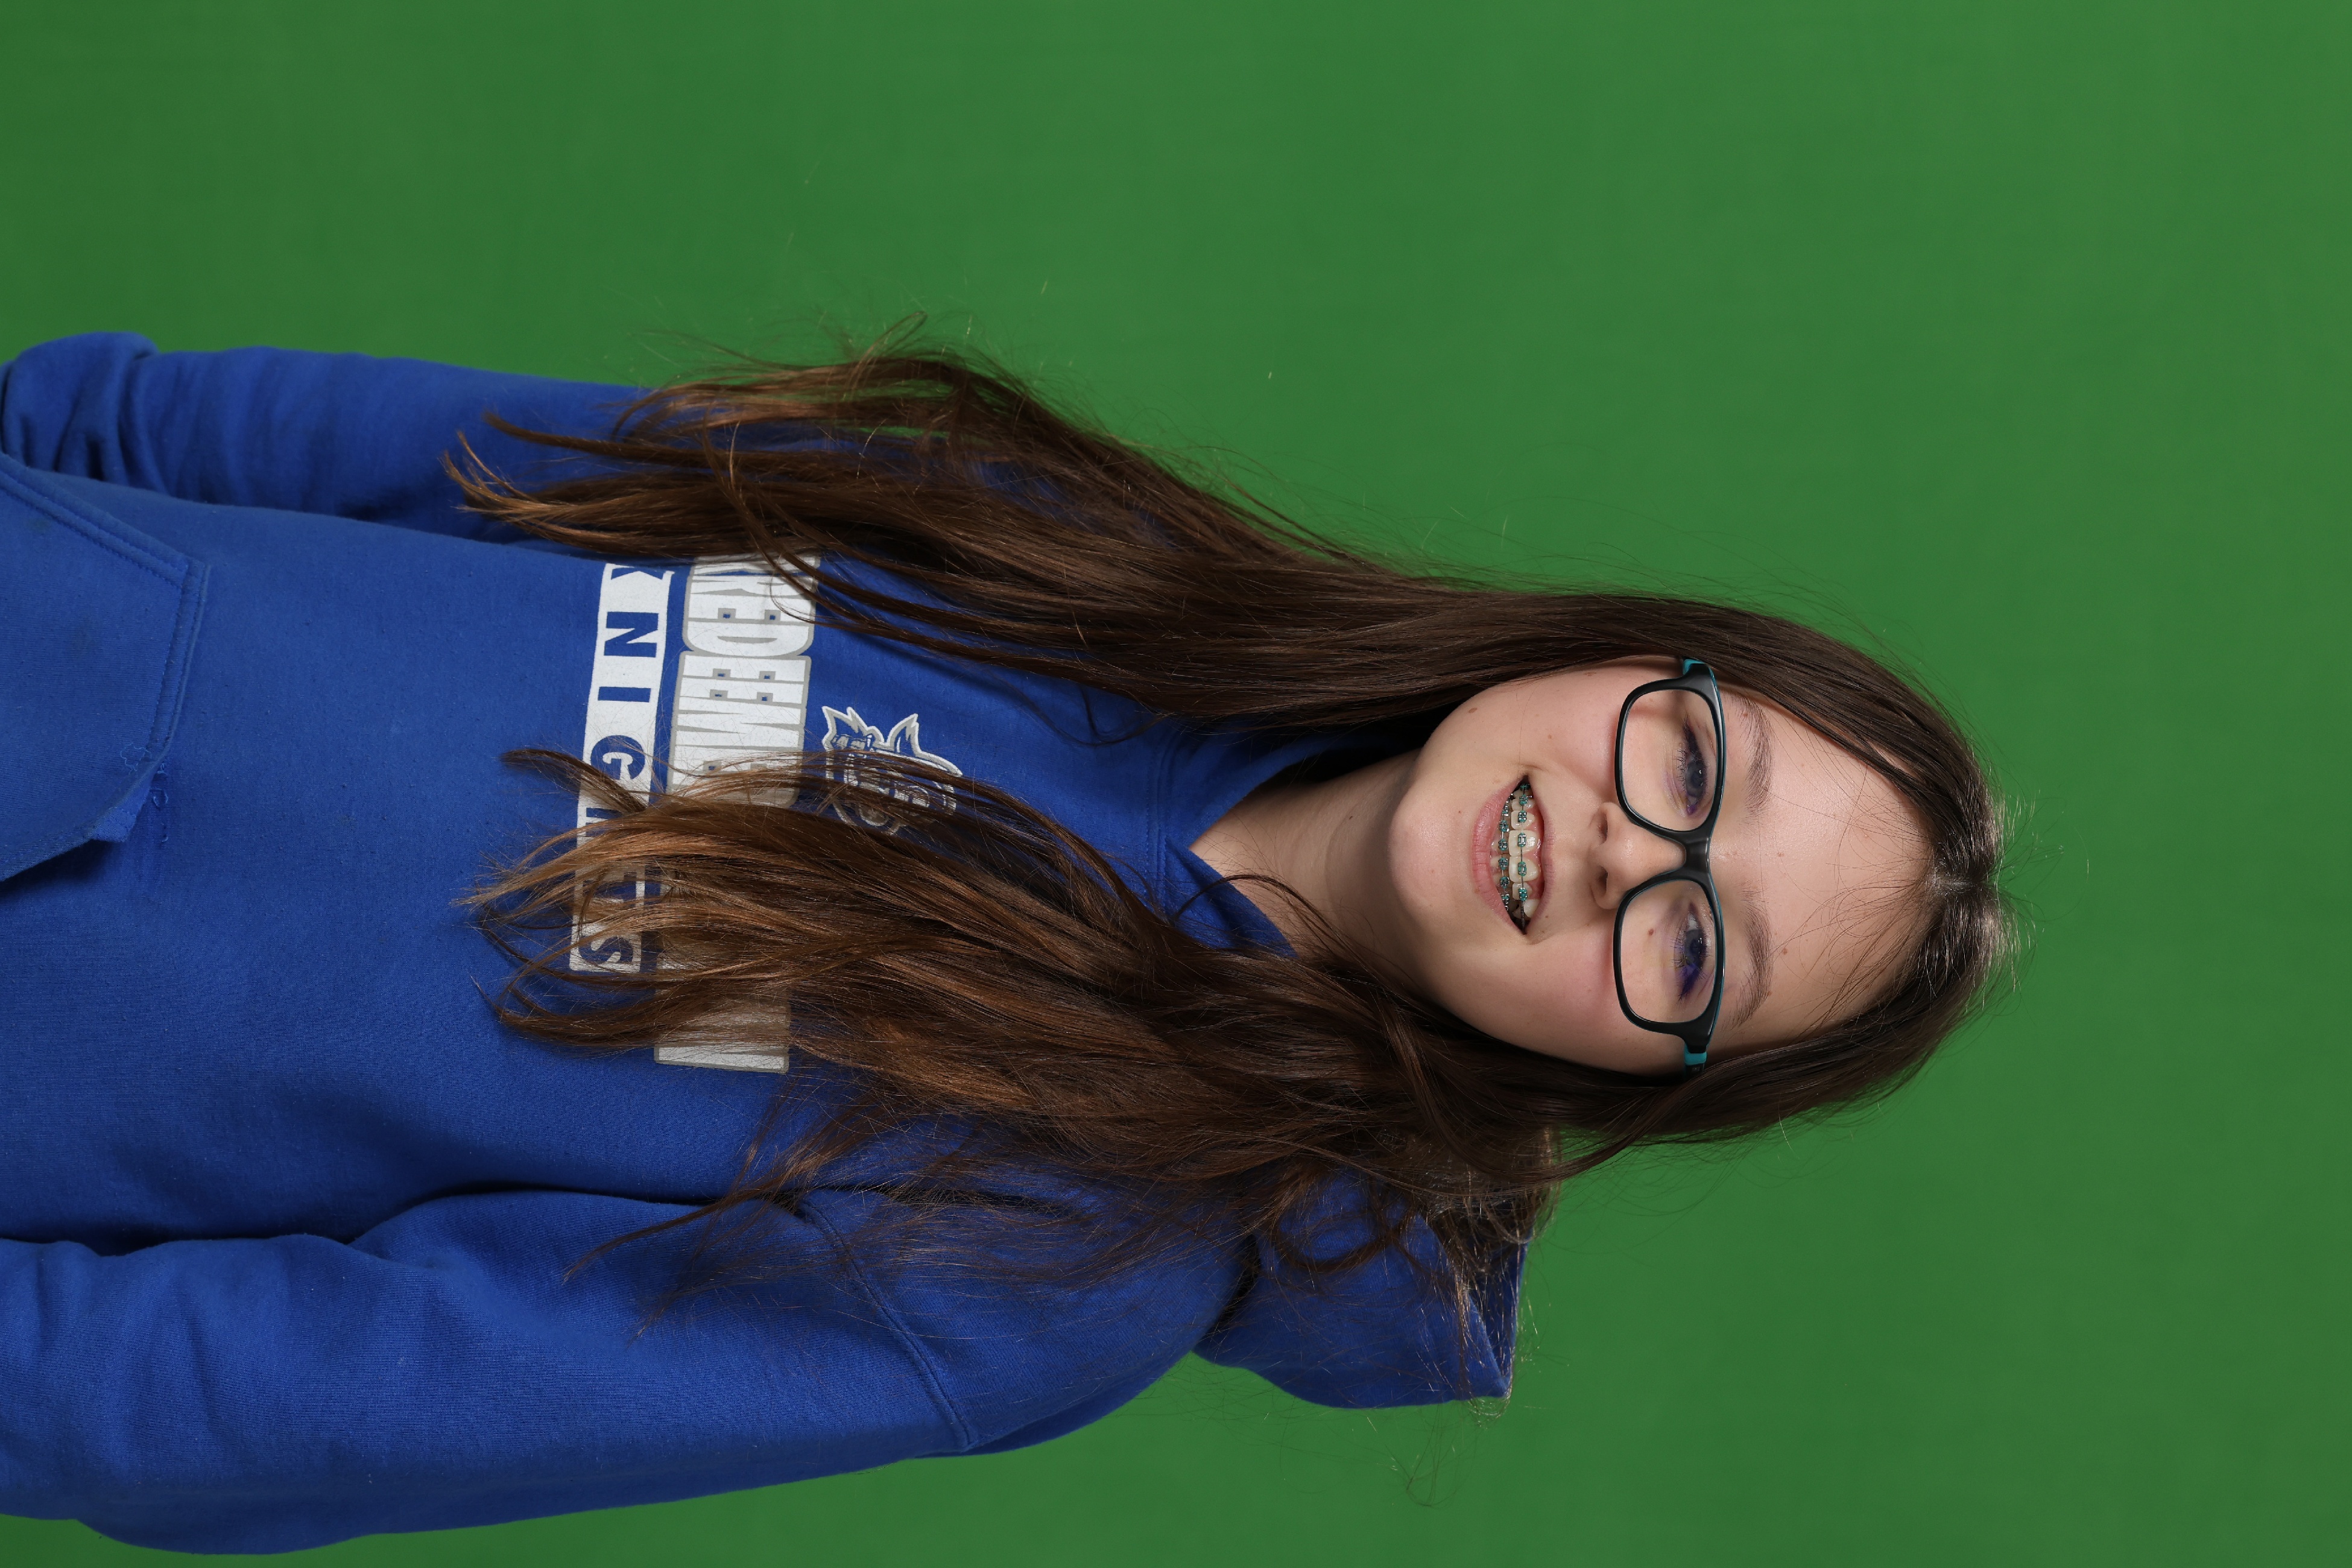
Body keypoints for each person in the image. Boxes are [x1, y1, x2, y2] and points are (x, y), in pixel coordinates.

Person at [0, 332, 2012, 1554]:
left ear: (1632, 1076)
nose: (1623, 851)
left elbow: (273, 1395)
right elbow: (397, 459)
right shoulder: (1063, 553)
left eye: (1691, 952)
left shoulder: (1053, 1269)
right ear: (1632, 656)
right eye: (1688, 759)